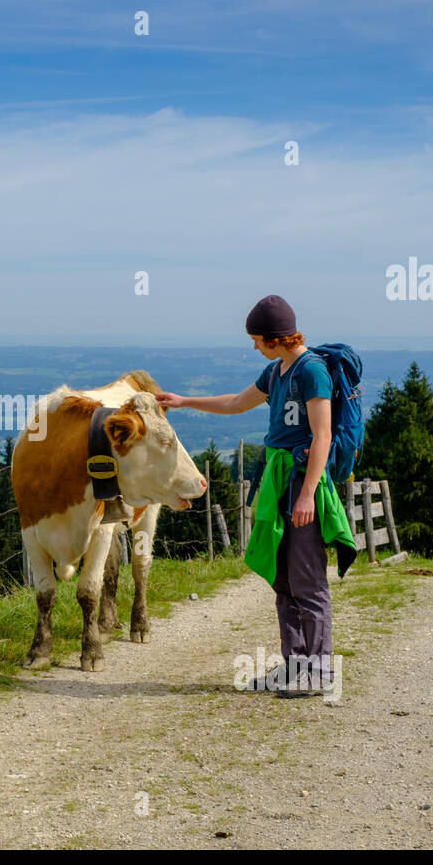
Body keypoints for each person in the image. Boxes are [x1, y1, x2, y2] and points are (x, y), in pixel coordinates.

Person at [156, 295, 355, 698]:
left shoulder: (312, 372)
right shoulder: (276, 371)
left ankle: (321, 671)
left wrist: (307, 496)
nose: (254, 347)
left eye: (257, 339)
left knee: (307, 579)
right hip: (277, 479)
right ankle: (295, 665)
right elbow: (235, 403)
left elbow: (323, 435)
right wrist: (184, 401)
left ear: (276, 338)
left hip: (302, 481)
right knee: (284, 579)